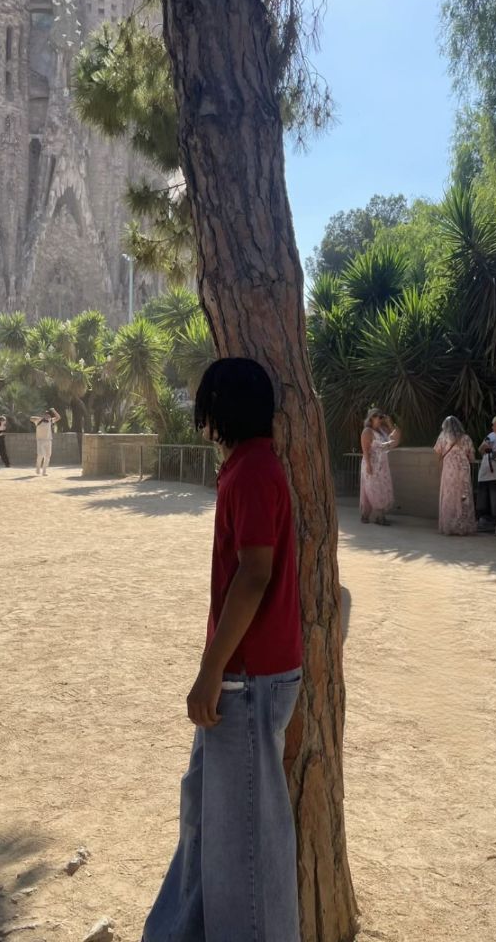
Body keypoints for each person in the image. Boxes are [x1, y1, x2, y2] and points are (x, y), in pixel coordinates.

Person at [143, 358, 303, 942]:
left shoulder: (255, 471)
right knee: (204, 816)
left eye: (205, 400)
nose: (199, 412)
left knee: (248, 843)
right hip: (243, 673)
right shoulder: (245, 468)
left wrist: (210, 672)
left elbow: (255, 574)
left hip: (247, 676)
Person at [433, 416, 477, 536]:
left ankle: (449, 526)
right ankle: (464, 526)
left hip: (449, 470)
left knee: (449, 495)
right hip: (463, 469)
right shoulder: (466, 438)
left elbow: (438, 454)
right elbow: (472, 457)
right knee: (463, 495)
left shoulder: (443, 437)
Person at [360, 407, 401, 525]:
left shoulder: (383, 430)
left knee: (382, 488)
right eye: (378, 417)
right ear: (371, 418)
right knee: (373, 488)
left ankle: (376, 516)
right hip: (371, 463)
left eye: (381, 417)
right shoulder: (367, 431)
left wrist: (390, 423)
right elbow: (365, 450)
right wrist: (368, 465)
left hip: (382, 464)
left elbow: (396, 440)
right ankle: (376, 516)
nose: (380, 419)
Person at [30, 407, 60, 475]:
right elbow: (31, 418)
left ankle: (44, 471)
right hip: (40, 441)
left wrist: (54, 411)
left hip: (48, 440)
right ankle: (38, 469)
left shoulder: (50, 420)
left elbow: (58, 417)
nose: (47, 416)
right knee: (40, 455)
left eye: (48, 415)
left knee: (48, 456)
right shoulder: (38, 420)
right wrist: (40, 418)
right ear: (43, 415)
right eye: (46, 414)